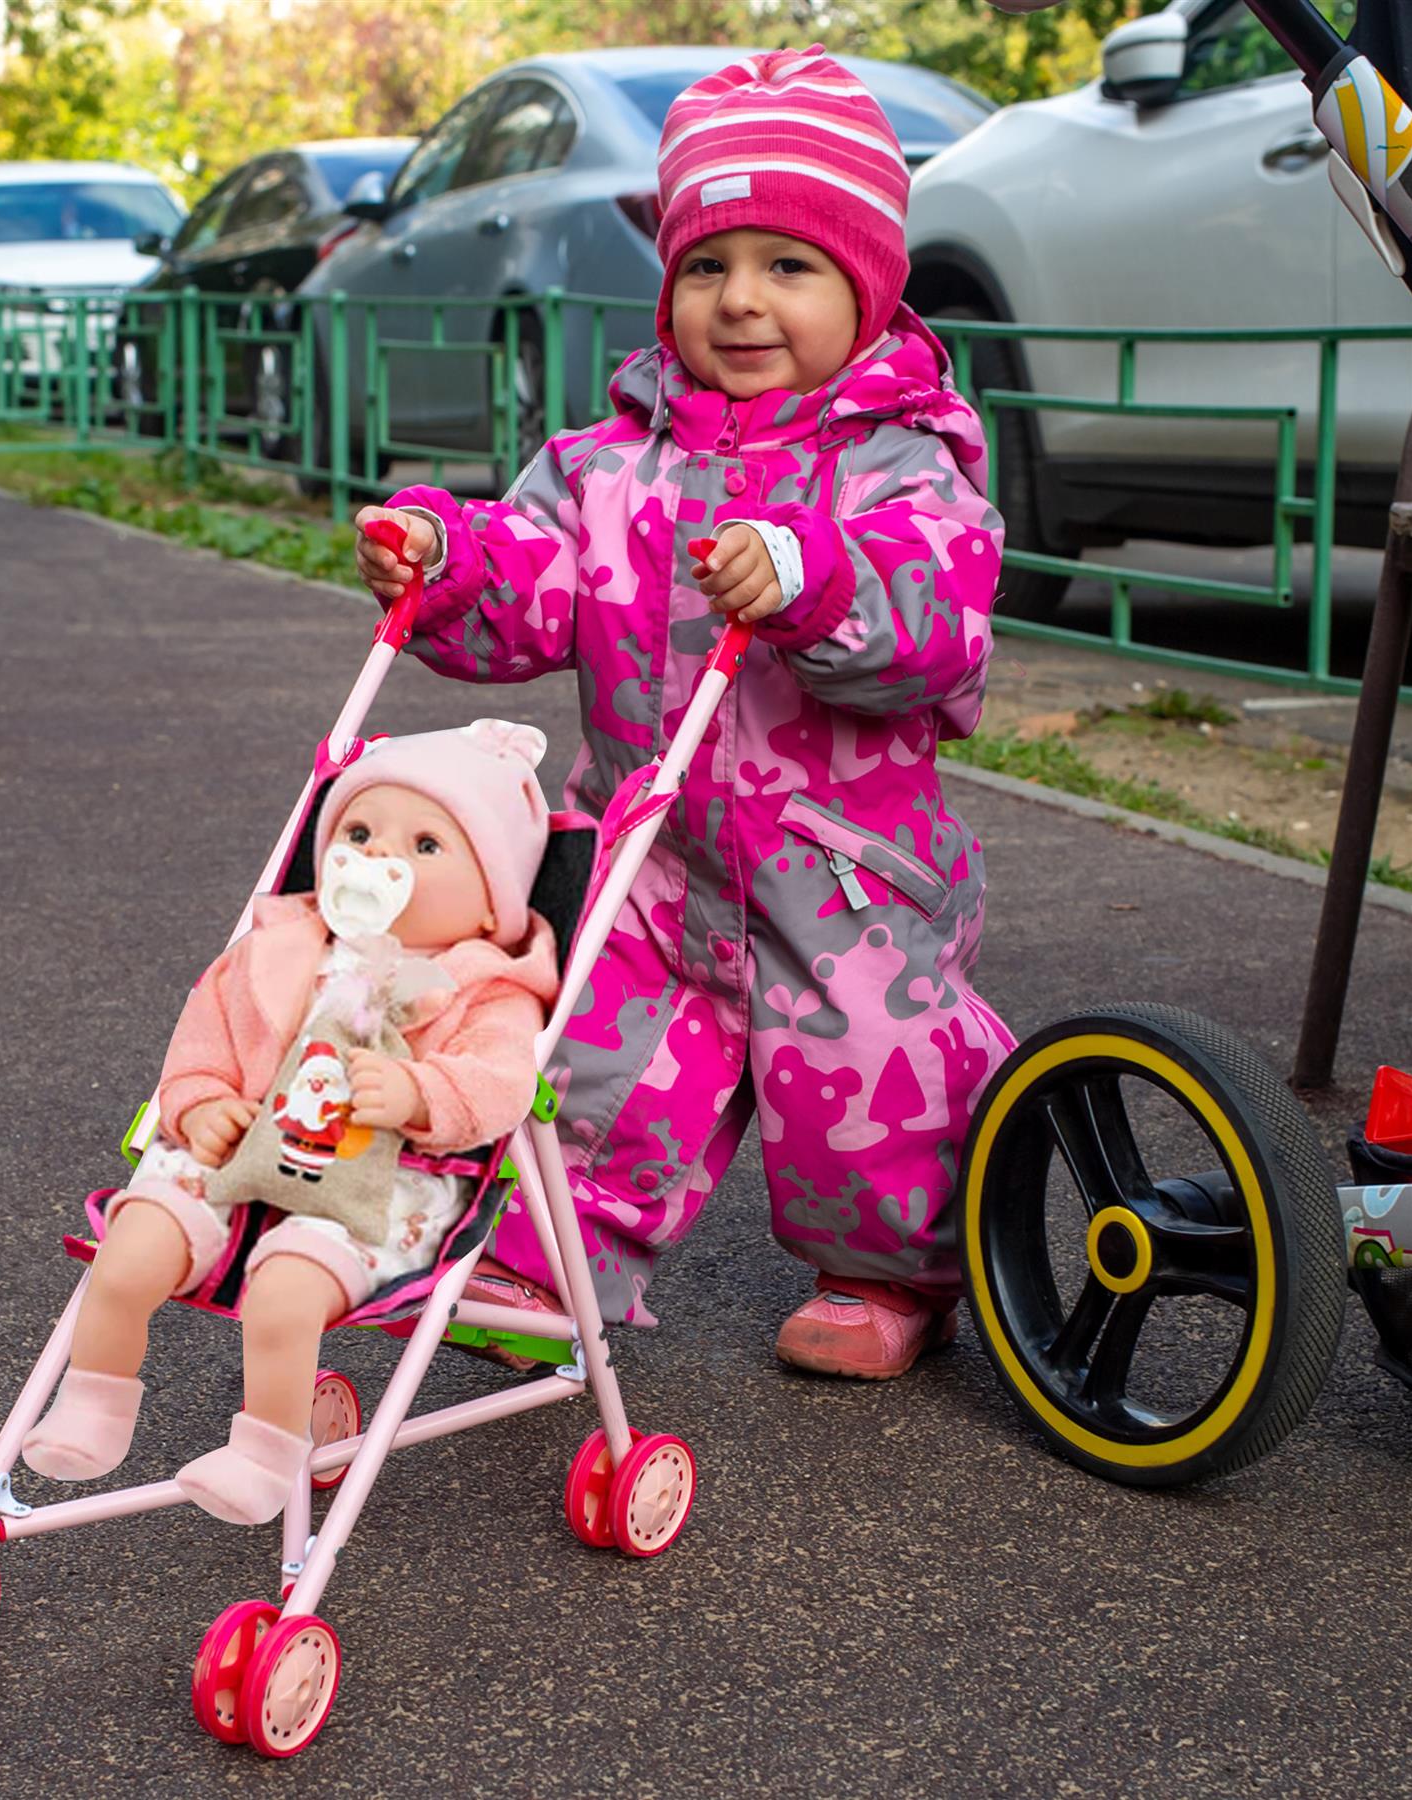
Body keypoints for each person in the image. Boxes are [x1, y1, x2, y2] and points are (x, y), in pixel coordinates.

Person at [354, 46, 1017, 1380]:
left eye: (790, 266)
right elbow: (536, 569)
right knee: (589, 1055)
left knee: (866, 1083)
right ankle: (551, 1256)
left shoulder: (901, 457)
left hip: (840, 861)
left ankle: (891, 1274)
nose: (740, 301)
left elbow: (937, 604)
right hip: (648, 850)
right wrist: (448, 558)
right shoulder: (614, 464)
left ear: (868, 284)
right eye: (707, 266)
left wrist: (812, 575)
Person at [21, 720, 559, 1522]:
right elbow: (202, 1044)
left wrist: (419, 1093)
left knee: (284, 1286)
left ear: (491, 907)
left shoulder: (485, 988)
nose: (379, 858)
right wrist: (201, 1105)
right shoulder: (279, 946)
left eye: (425, 846)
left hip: (382, 1190)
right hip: (242, 1155)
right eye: (359, 832)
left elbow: (500, 1084)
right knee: (129, 1247)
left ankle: (265, 1454)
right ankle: (95, 1401)